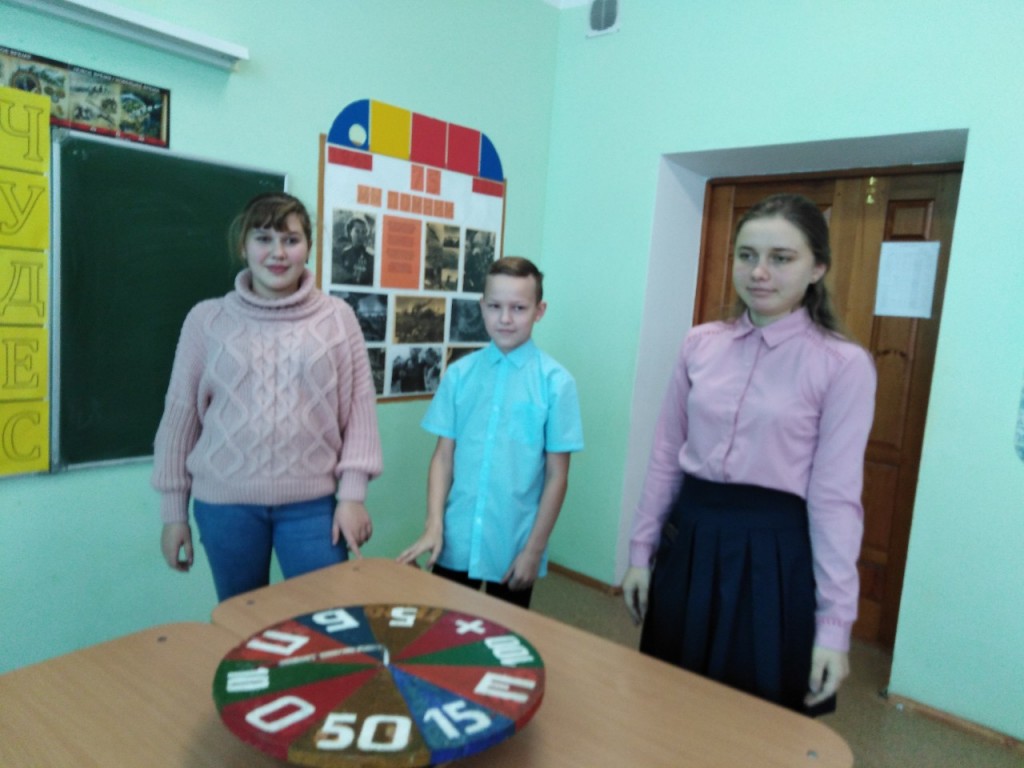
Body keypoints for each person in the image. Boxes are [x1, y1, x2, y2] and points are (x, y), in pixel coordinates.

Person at [621, 193, 876, 716]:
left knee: (756, 715)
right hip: (690, 540)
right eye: (747, 255)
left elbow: (835, 500)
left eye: (781, 258)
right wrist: (640, 553)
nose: (759, 272)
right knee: (667, 703)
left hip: (774, 555)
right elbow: (666, 454)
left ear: (817, 268)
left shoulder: (842, 364)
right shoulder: (700, 344)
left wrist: (834, 627)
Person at [152, 192, 383, 602]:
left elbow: (360, 412)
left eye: (291, 240)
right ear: (243, 247)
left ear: (307, 248)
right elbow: (180, 418)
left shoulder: (338, 318)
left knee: (327, 618)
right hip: (225, 507)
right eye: (263, 239)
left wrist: (352, 497)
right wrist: (174, 514)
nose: (278, 253)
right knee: (243, 619)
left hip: (313, 506)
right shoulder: (206, 320)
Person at [397, 257, 584, 608]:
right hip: (456, 539)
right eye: (495, 306)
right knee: (444, 627)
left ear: (539, 311)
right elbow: (443, 457)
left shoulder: (556, 384)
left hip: (514, 543)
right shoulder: (459, 374)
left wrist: (534, 550)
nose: (505, 318)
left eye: (519, 308)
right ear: (482, 307)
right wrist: (434, 524)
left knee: (503, 633)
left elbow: (557, 476)